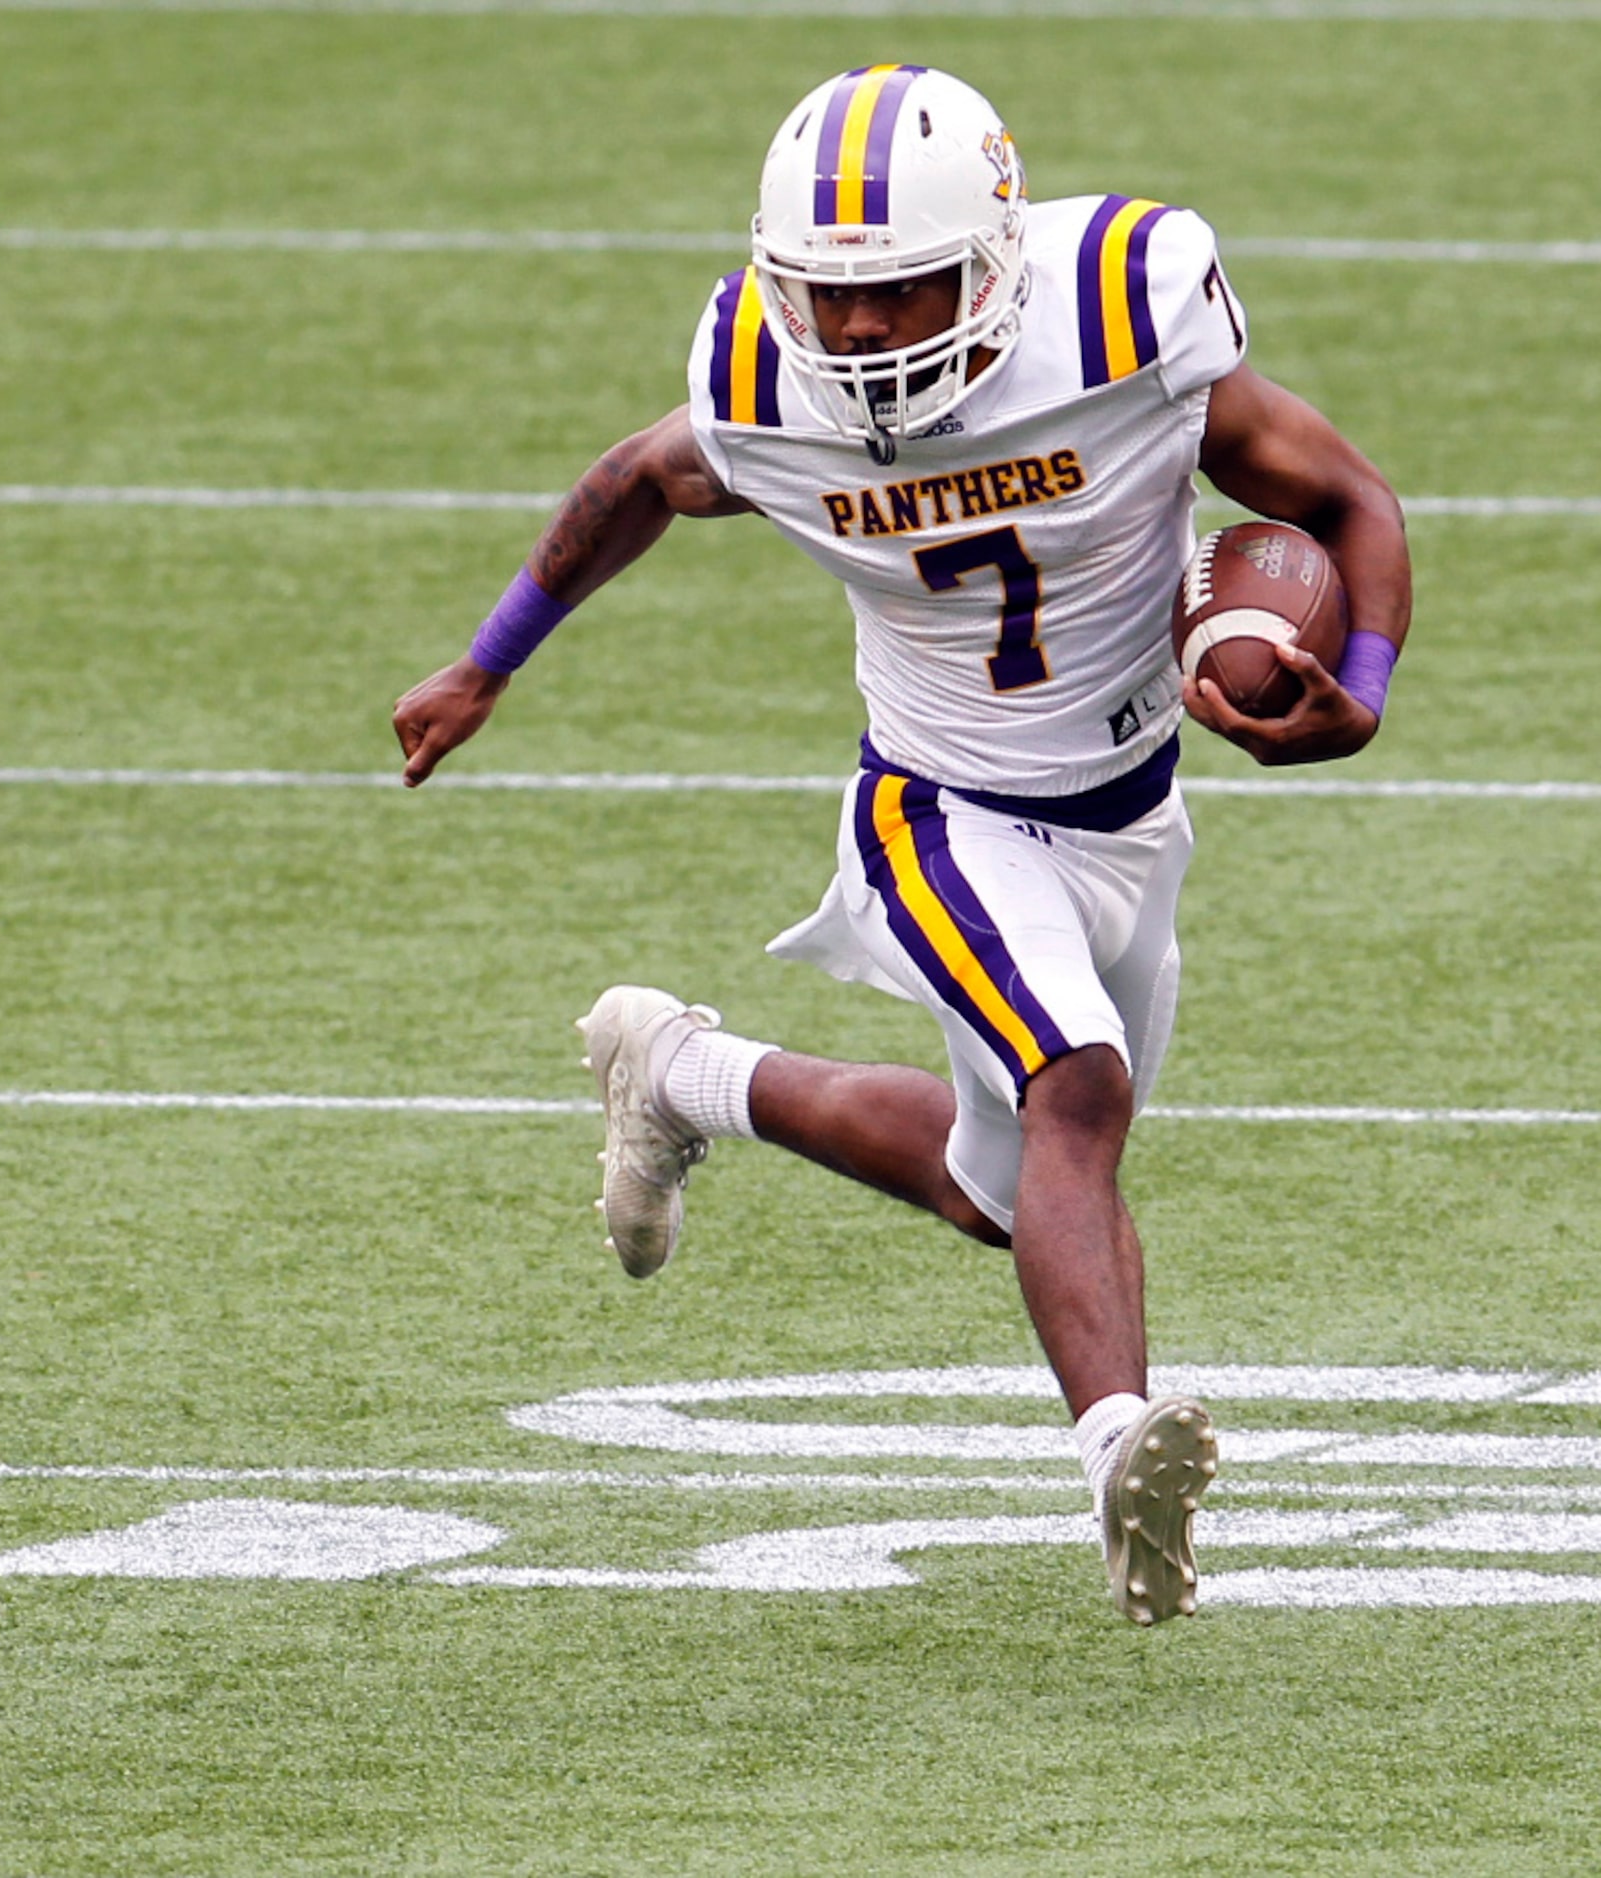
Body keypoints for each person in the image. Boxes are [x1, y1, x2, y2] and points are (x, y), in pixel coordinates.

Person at [391, 66, 1409, 1627]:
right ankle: (1116, 1447)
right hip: (937, 807)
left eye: (898, 291)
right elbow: (634, 479)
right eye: (829, 294)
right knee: (1079, 1088)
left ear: (993, 258)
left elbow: (1342, 496)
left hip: (1130, 810)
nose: (858, 333)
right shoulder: (762, 378)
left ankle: (677, 1072)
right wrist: (485, 660)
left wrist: (1364, 693)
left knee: (996, 1190)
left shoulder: (1123, 318)